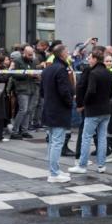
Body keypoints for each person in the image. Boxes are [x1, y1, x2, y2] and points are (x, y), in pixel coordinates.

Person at [73, 49, 112, 174]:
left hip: (93, 110)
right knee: (102, 138)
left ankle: (82, 165)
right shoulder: (108, 73)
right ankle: (101, 165)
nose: (88, 60)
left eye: (90, 58)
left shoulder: (93, 73)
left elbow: (90, 90)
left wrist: (83, 104)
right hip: (106, 109)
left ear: (96, 59)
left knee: (86, 137)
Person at [40, 44, 74, 183]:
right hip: (58, 109)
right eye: (66, 51)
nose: (68, 53)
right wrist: (69, 102)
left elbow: (42, 91)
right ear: (62, 54)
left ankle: (54, 169)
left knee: (53, 141)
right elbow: (64, 90)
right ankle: (54, 173)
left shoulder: (48, 69)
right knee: (57, 142)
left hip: (49, 108)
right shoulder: (61, 69)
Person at [9, 48, 39, 139]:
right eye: (29, 54)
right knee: (23, 110)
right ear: (24, 53)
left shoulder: (33, 61)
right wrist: (27, 74)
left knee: (29, 110)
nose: (31, 56)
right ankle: (15, 131)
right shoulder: (17, 61)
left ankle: (24, 130)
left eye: (32, 54)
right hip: (22, 89)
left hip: (32, 88)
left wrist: (36, 75)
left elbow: (34, 72)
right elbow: (13, 74)